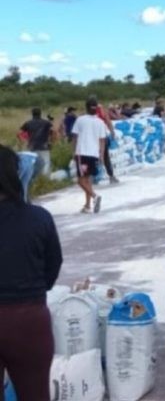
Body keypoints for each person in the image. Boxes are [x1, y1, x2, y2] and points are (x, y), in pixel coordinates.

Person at [0, 145, 63, 400]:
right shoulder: (39, 218)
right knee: (35, 394)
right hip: (28, 320)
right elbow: (53, 265)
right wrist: (32, 288)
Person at [72, 98, 108, 214]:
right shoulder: (100, 122)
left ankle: (95, 196)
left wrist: (74, 151)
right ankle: (87, 206)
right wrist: (101, 155)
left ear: (86, 107)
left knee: (80, 181)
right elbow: (102, 140)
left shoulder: (80, 120)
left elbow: (75, 137)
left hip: (82, 153)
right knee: (87, 180)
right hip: (94, 154)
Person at [19, 107, 54, 178]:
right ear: (40, 114)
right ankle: (45, 179)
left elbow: (19, 133)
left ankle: (34, 178)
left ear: (32, 114)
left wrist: (25, 141)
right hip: (44, 146)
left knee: (33, 163)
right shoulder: (46, 122)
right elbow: (54, 131)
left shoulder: (28, 123)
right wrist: (51, 141)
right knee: (45, 163)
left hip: (32, 146)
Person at [92, 98, 119, 184]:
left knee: (93, 157)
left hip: (93, 138)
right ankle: (111, 176)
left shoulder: (89, 114)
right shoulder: (102, 112)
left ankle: (94, 177)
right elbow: (108, 122)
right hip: (103, 137)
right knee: (106, 157)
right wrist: (112, 132)